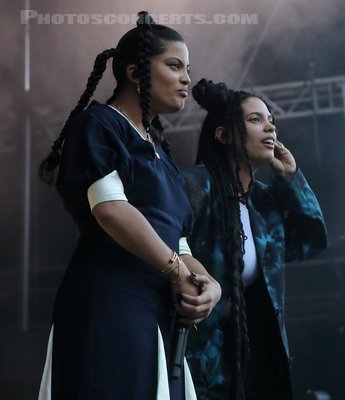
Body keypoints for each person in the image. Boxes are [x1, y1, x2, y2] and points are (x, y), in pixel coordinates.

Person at [37, 12, 221, 400]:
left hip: (159, 309)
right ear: (136, 73)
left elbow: (179, 241)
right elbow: (111, 209)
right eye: (174, 65)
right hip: (111, 300)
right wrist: (175, 271)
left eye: (188, 68)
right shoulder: (99, 124)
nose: (187, 78)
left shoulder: (162, 155)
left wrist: (211, 287)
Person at [183, 79, 327, 399]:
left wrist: (290, 179)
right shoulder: (193, 185)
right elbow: (161, 247)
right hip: (199, 359)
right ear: (222, 135)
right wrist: (218, 306)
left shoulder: (263, 204)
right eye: (255, 119)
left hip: (253, 364)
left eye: (271, 120)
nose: (269, 127)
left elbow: (308, 240)